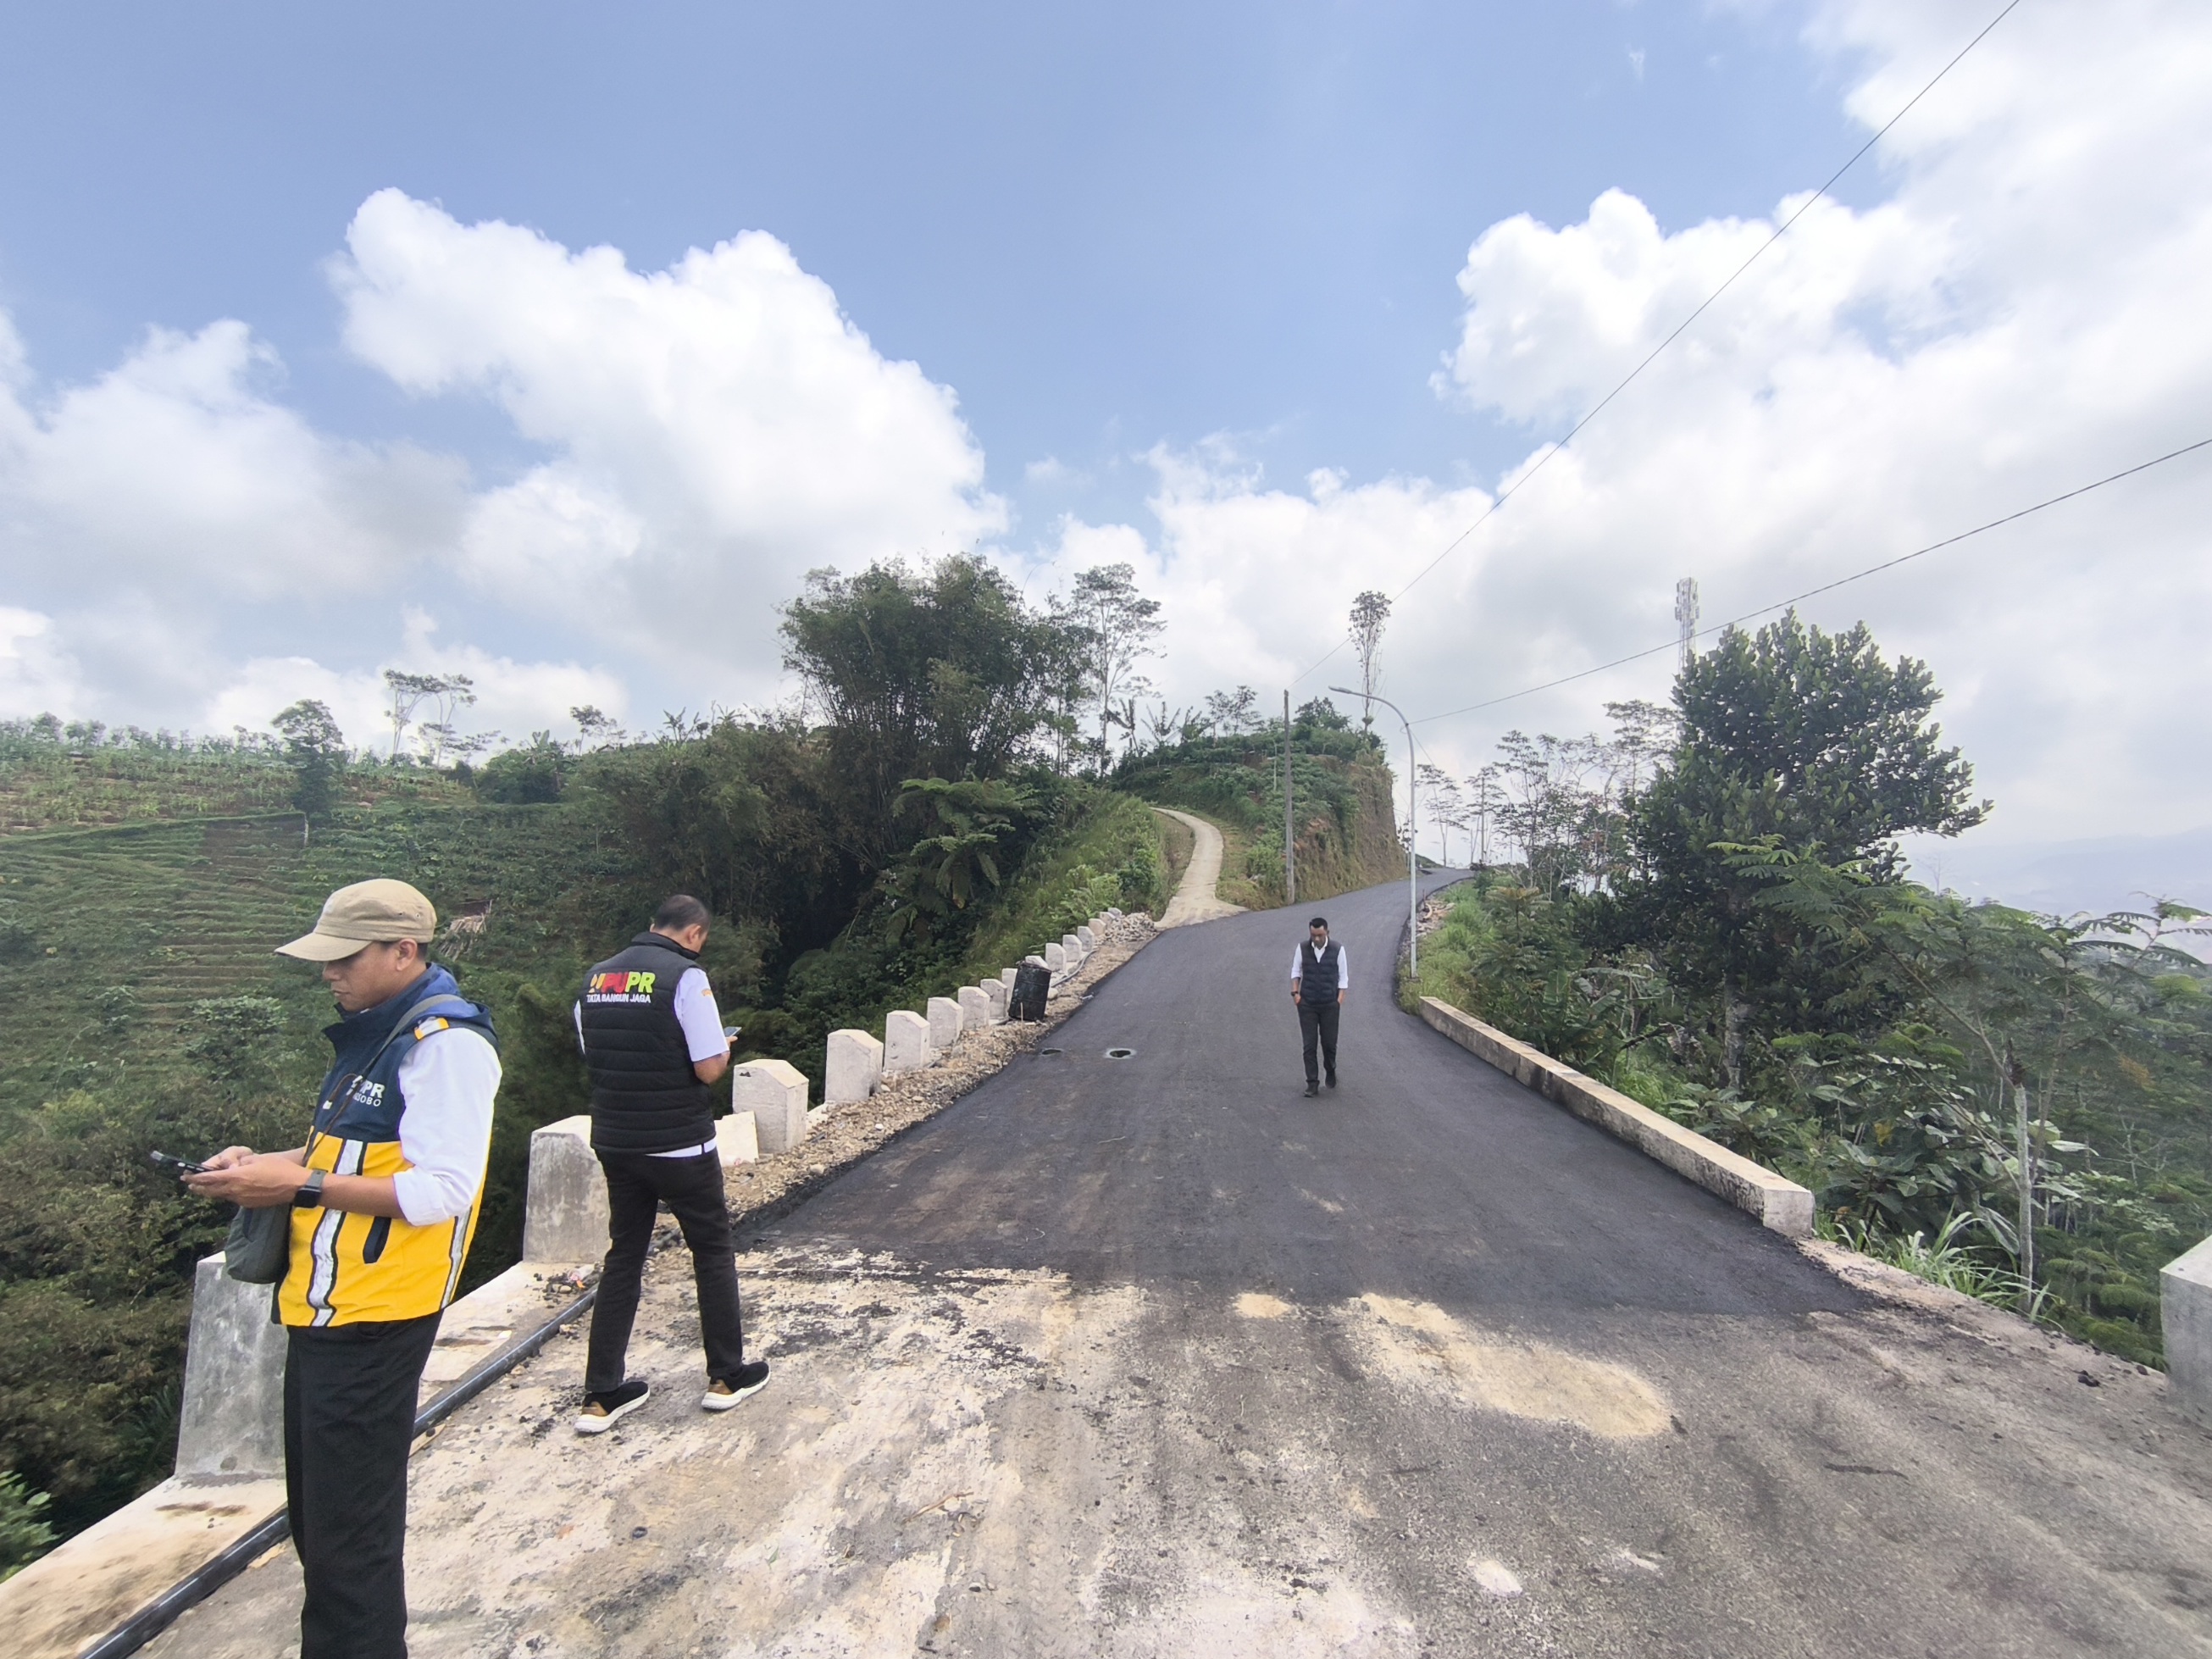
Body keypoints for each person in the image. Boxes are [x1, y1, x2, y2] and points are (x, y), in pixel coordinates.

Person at [186, 879, 502, 1659]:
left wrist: (296, 1184)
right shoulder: (378, 1032)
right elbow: (354, 1151)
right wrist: (265, 1164)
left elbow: (443, 1189)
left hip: (375, 1316)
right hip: (327, 1308)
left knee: (348, 1550)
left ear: (404, 952)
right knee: (323, 1531)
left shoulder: (445, 1046)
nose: (329, 973)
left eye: (344, 958)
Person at [571, 893, 768, 1434]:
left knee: (625, 1257)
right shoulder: (685, 977)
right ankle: (727, 1376)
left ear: (654, 924)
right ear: (695, 934)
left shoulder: (595, 979)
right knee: (711, 1250)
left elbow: (596, 1053)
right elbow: (707, 1069)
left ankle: (601, 1395)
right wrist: (724, 1049)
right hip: (679, 1143)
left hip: (616, 1141)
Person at [1290, 915, 1348, 1097]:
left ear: (1327, 933)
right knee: (1309, 1045)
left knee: (1329, 1044)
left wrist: (1338, 1001)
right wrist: (1296, 994)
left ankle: (1330, 1069)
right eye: (1313, 935)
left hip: (1329, 1005)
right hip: (1307, 1004)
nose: (1316, 939)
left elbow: (1343, 978)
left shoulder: (1338, 950)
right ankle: (1312, 1083)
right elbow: (1296, 971)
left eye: (1320, 935)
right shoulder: (1302, 948)